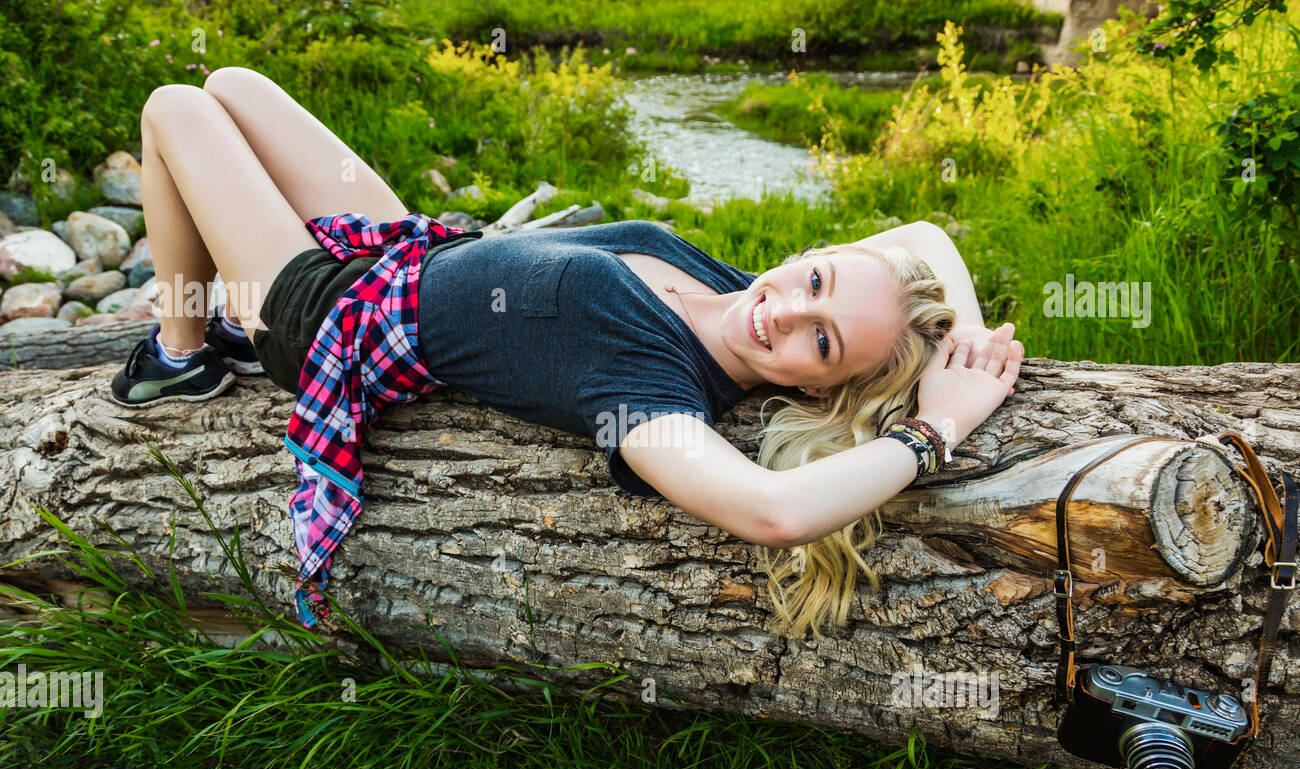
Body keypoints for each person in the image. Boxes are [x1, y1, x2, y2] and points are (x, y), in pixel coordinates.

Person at [109, 66, 1024, 634]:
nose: (782, 313)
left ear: (824, 388)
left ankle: (182, 350)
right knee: (233, 83)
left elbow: (772, 512)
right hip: (407, 246)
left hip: (328, 317)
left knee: (175, 108)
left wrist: (935, 426)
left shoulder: (652, 380)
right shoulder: (737, 287)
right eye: (815, 281)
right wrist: (966, 334)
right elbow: (925, 232)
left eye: (819, 343)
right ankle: (203, 305)